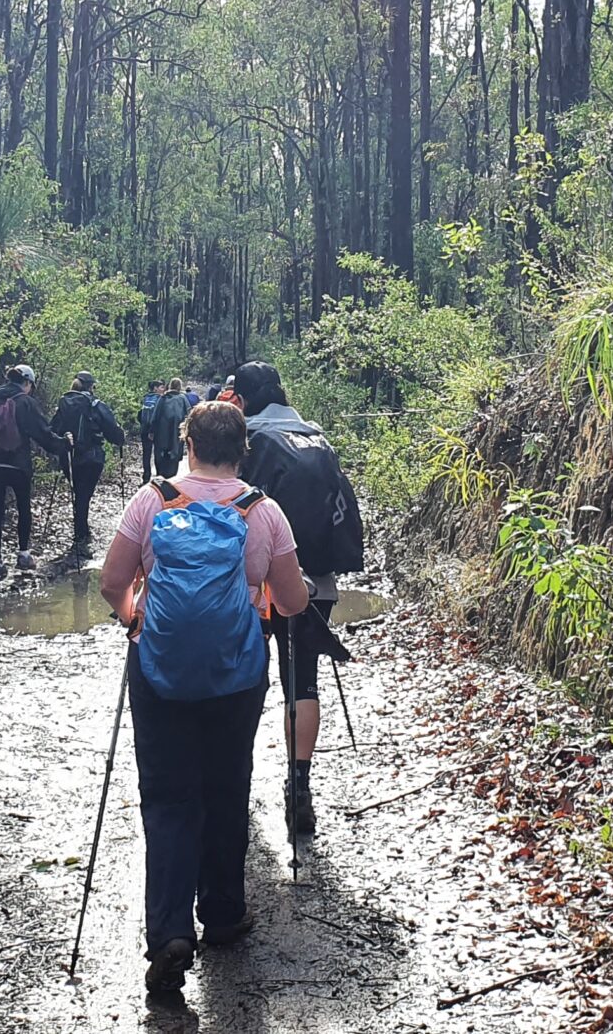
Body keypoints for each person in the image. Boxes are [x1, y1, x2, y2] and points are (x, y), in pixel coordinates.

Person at [98, 401, 309, 996]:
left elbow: (112, 583)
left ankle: (169, 932)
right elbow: (291, 603)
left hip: (160, 669)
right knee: (225, 786)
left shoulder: (152, 500)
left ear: (186, 442)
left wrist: (134, 622)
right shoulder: (263, 512)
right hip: (236, 674)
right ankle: (220, 914)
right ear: (243, 449)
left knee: (167, 798)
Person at [232, 361, 366, 840]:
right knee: (301, 681)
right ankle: (299, 785)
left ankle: (237, 784)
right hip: (316, 582)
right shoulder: (315, 436)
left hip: (259, 584)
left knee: (246, 678)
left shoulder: (247, 439)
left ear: (243, 400)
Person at [0, 364, 67, 579]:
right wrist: (63, 445)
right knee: (24, 506)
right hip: (18, 464)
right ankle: (23, 555)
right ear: (27, 383)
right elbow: (43, 434)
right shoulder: (25, 402)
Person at [50, 371, 126, 555]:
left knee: (79, 492)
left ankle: (81, 530)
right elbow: (112, 431)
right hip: (92, 457)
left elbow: (52, 429)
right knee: (84, 494)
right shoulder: (96, 405)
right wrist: (120, 438)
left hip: (68, 457)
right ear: (91, 386)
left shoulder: (64, 403)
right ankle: (80, 534)